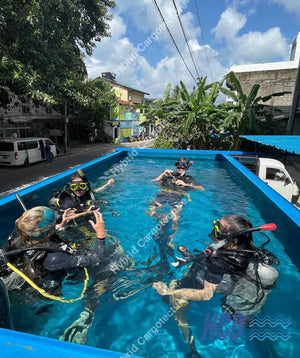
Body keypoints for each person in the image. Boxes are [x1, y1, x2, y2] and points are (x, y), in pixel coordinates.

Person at [153, 215, 280, 357]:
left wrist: (168, 291)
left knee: (173, 304)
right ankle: (243, 315)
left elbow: (206, 295)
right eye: (215, 225)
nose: (213, 233)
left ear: (234, 239)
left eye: (217, 230)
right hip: (238, 289)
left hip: (207, 286)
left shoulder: (219, 262)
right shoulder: (245, 249)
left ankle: (192, 348)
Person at [146, 157, 204, 247]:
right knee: (149, 210)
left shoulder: (188, 179)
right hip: (163, 195)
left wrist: (185, 184)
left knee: (175, 219)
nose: (180, 168)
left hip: (176, 197)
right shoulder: (169, 175)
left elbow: (201, 188)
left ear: (187, 168)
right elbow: (153, 181)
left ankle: (171, 238)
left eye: (183, 166)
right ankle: (161, 217)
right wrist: (163, 173)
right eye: (178, 165)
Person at [49, 169, 115, 221]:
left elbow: (94, 191)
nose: (78, 190)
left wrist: (107, 184)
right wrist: (86, 213)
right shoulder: (68, 201)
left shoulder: (86, 193)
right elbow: (65, 218)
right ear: (71, 186)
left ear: (85, 186)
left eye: (82, 186)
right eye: (74, 187)